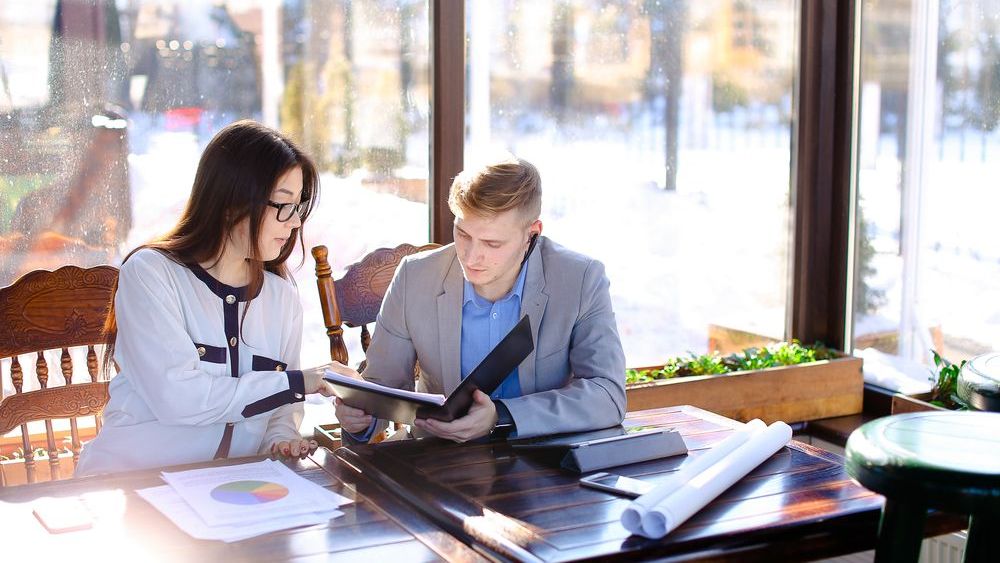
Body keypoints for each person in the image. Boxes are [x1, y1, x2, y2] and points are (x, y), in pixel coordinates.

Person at [76, 120, 336, 476]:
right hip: (129, 483)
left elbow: (281, 413)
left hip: (229, 488)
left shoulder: (282, 298)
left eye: (298, 207)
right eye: (283, 204)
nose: (294, 224)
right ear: (232, 202)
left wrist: (280, 440)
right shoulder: (150, 273)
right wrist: (298, 382)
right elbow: (178, 398)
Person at [332, 155, 626, 443]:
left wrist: (503, 415)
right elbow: (381, 387)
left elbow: (607, 395)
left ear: (532, 234)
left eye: (492, 243)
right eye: (463, 234)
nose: (471, 257)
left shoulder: (581, 279)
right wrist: (360, 419)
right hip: (436, 456)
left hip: (544, 459)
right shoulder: (414, 277)